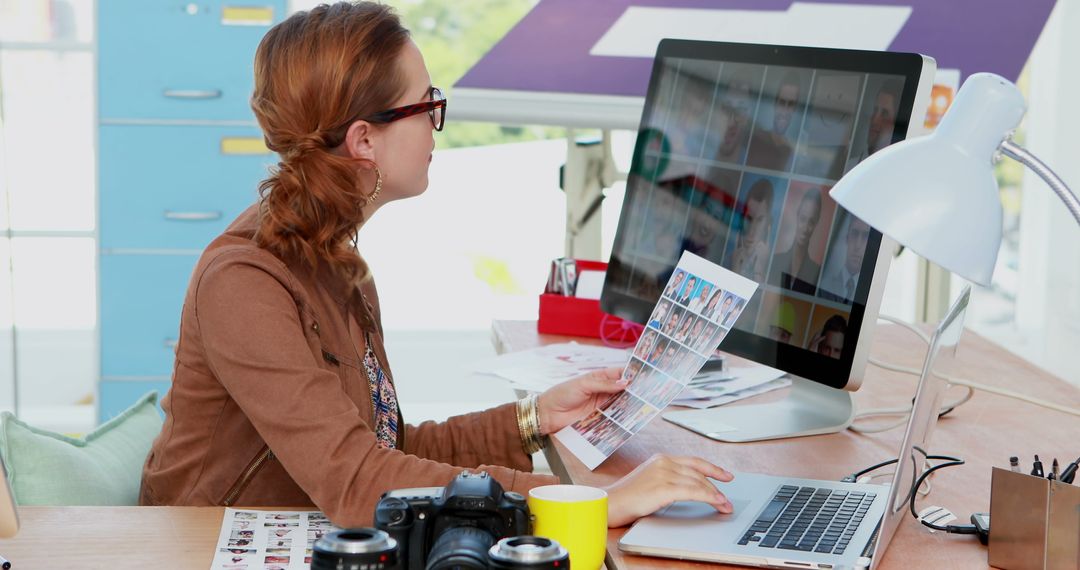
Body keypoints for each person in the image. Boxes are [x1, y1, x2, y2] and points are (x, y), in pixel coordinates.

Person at [138, 2, 733, 529]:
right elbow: (358, 482)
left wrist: (533, 418)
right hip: (201, 544)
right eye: (427, 105)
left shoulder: (335, 258)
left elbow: (386, 446)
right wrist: (585, 499)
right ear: (365, 140)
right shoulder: (245, 283)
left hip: (298, 526)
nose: (435, 124)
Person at [768, 189, 823, 294]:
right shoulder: (775, 261)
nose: (805, 228)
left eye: (811, 222)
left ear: (816, 223)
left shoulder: (817, 273)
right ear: (797, 216)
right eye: (803, 219)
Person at [746, 71, 802, 171]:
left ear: (795, 110)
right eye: (782, 102)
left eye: (790, 104)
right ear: (775, 104)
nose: (785, 110)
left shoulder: (793, 154)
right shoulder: (754, 139)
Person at [845, 79, 903, 171]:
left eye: (884, 114)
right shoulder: (849, 168)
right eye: (875, 110)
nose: (875, 120)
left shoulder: (899, 169)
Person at [729, 179, 774, 282]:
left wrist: (760, 271)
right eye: (748, 218)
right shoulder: (729, 259)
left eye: (759, 220)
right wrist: (734, 269)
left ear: (768, 223)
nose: (751, 230)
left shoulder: (773, 269)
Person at [819, 215, 871, 304]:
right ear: (847, 239)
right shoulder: (824, 285)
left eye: (865, 237)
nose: (857, 246)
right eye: (855, 234)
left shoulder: (869, 295)